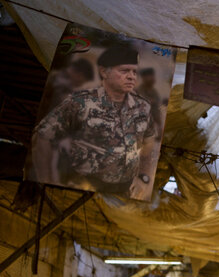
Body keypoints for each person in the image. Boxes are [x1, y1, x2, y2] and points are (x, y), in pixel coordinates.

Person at [29, 44, 159, 199]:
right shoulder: (81, 102)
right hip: (80, 186)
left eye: (134, 71)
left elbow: (149, 142)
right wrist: (47, 178)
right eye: (124, 71)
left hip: (124, 189)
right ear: (104, 72)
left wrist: (143, 176)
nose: (132, 76)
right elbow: (42, 137)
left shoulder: (142, 107)